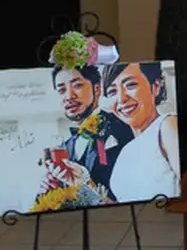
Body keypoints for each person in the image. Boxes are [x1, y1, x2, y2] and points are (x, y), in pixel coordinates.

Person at [36, 65, 132, 202]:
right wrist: (54, 188)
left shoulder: (123, 127)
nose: (69, 96)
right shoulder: (67, 146)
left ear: (97, 89)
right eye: (62, 90)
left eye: (77, 86)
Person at [100, 62, 180, 201]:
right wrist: (82, 183)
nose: (121, 99)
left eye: (130, 85)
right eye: (112, 91)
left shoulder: (167, 126)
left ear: (156, 87)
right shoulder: (126, 150)